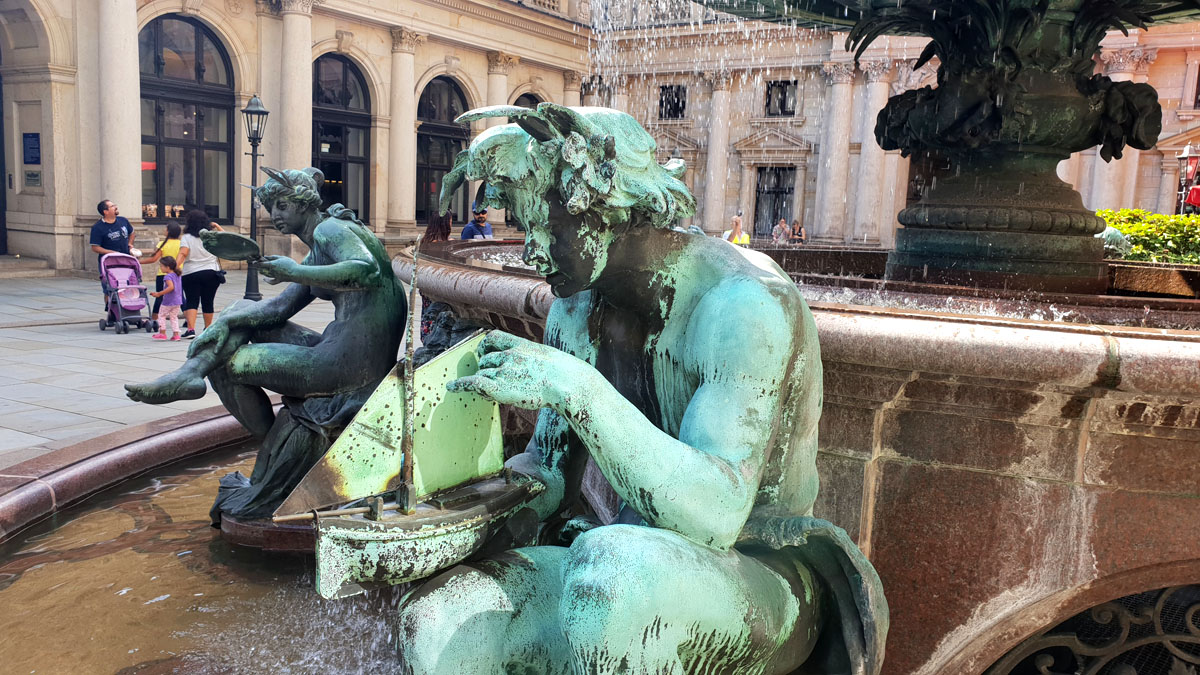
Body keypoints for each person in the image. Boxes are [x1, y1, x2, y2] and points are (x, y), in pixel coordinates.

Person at [399, 105, 885, 675]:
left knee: (612, 578)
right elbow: (549, 473)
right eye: (522, 228)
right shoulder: (574, 311)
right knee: (435, 621)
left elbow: (717, 513)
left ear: (602, 209)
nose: (531, 252)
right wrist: (444, 522)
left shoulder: (742, 308)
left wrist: (578, 389)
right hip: (627, 554)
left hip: (761, 573)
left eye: (546, 229)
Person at [125, 167, 407, 520]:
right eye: (271, 206)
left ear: (305, 203)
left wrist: (293, 271)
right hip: (342, 351)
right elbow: (278, 308)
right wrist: (223, 322)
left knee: (230, 365)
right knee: (241, 309)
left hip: (349, 367)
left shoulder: (333, 229)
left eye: (284, 205)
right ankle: (190, 373)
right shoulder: (321, 245)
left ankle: (272, 441)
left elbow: (366, 270)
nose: (276, 215)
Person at [177, 210, 224, 338]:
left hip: (191, 272)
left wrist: (176, 267)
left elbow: (183, 253)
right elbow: (227, 239)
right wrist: (217, 227)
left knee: (192, 301)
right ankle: (208, 329)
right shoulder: (212, 235)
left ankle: (191, 330)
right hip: (211, 272)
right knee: (208, 301)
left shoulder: (187, 237)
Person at [138, 222, 183, 323]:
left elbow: (153, 259)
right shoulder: (181, 244)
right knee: (180, 296)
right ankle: (188, 319)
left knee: (159, 297)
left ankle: (154, 319)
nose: (164, 230)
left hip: (163, 274)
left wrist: (138, 262)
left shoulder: (163, 244)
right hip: (178, 274)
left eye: (165, 229)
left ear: (168, 232)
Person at [89, 199, 135, 270]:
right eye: (112, 206)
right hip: (109, 262)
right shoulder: (97, 227)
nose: (116, 207)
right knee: (111, 281)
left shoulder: (123, 220)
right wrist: (112, 253)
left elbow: (131, 233)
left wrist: (130, 244)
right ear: (106, 212)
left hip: (126, 259)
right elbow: (95, 247)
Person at [148, 256, 183, 341]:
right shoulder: (177, 275)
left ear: (167, 267)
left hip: (168, 301)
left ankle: (162, 333)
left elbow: (171, 287)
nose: (161, 268)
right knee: (174, 317)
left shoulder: (167, 277)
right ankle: (176, 335)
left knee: (161, 315)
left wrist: (159, 294)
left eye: (161, 266)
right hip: (177, 300)